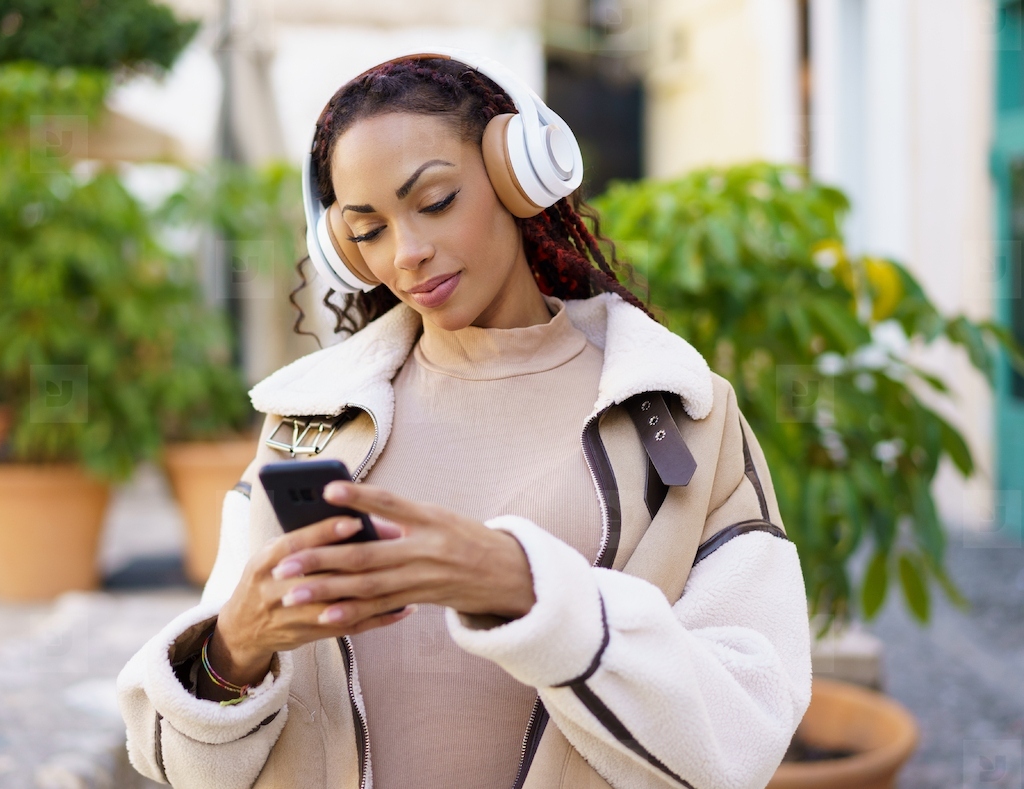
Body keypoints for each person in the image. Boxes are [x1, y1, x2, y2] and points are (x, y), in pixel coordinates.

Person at [117, 50, 812, 789]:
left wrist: (529, 592)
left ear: (520, 174)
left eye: (437, 201)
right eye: (369, 229)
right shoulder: (308, 425)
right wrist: (233, 650)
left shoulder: (683, 414)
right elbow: (189, 767)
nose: (408, 254)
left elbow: (745, 726)